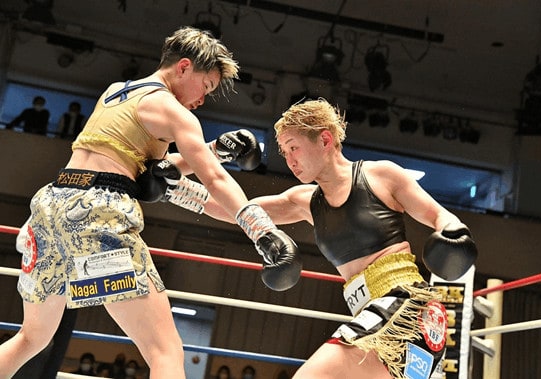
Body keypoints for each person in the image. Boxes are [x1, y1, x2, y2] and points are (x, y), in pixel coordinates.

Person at [0, 26, 300, 379]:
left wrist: (217, 150)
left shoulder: (116, 93)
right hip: (98, 212)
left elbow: (151, 172)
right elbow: (213, 180)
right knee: (166, 352)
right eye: (206, 86)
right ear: (184, 67)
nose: (203, 100)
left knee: (32, 337)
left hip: (51, 207)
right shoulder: (176, 113)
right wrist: (262, 231)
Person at [174, 99, 477, 378]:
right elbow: (237, 210)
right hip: (380, 320)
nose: (289, 160)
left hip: (405, 309)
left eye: (293, 147)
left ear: (325, 140)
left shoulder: (380, 176)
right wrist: (174, 190)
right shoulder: (304, 200)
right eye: (284, 152)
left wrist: (454, 232)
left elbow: (440, 216)